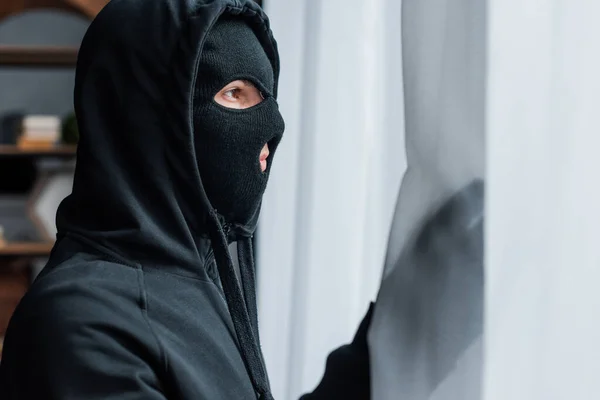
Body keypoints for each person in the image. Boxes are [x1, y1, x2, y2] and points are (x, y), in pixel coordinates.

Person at [0, 0, 373, 399]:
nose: (272, 125)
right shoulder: (81, 322)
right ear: (150, 118)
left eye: (266, 96)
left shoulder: (195, 285)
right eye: (235, 93)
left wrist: (372, 352)